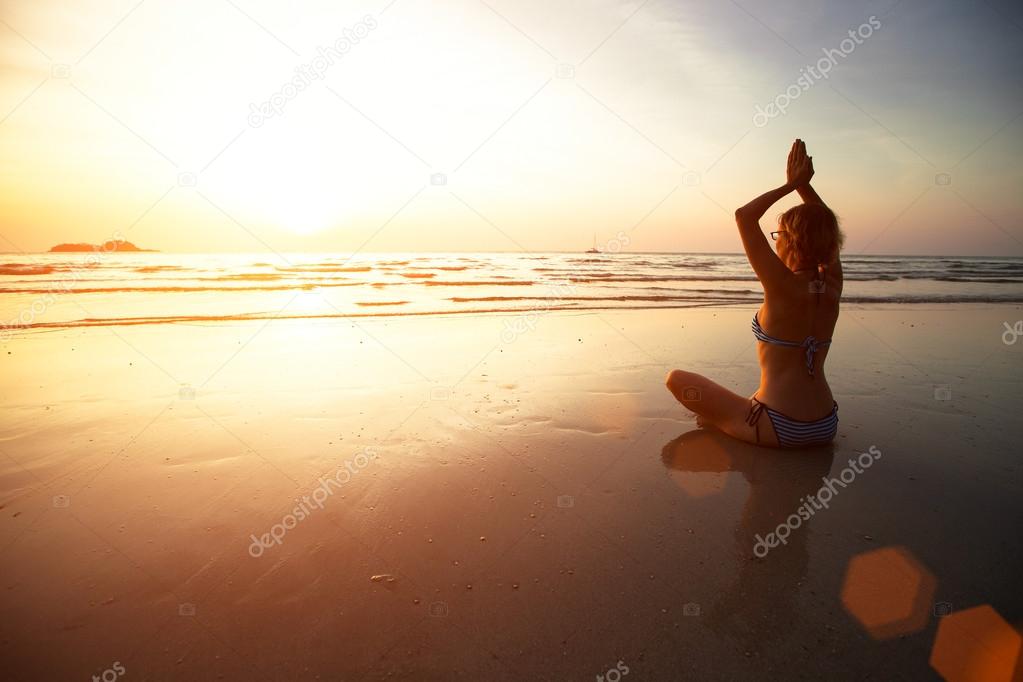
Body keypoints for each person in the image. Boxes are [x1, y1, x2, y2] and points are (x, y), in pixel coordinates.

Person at [666, 139, 844, 448]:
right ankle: (733, 415)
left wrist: (792, 184)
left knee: (676, 380)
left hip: (779, 427)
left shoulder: (782, 285)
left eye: (779, 236)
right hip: (826, 423)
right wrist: (805, 187)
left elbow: (744, 216)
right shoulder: (832, 283)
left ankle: (727, 421)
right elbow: (824, 222)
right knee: (739, 399)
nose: (775, 242)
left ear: (790, 240)